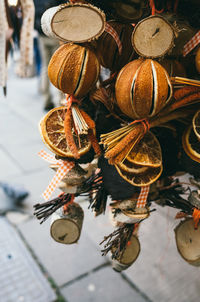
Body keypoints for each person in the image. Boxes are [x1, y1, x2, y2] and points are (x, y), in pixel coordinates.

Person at [33, 0, 65, 110]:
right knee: (58, 67)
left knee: (45, 67)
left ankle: (46, 99)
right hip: (55, 33)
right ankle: (59, 102)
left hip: (41, 34)